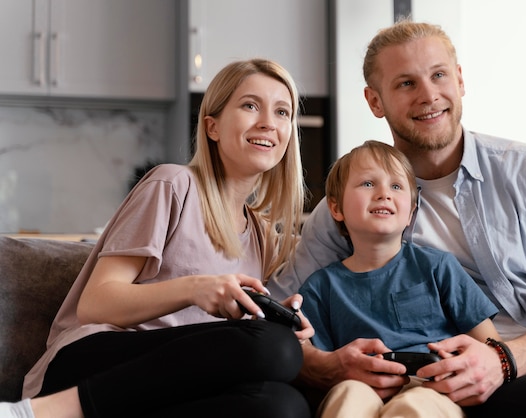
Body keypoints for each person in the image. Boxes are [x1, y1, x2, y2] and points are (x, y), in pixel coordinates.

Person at [268, 19, 526, 418]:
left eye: (438, 75)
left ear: (459, 80)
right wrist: (323, 367)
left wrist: (502, 361)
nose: (428, 95)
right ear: (375, 101)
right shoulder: (347, 211)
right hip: (452, 379)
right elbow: (282, 310)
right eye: (406, 84)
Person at [0, 58, 314, 418]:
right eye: (250, 105)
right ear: (212, 126)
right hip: (89, 365)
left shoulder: (262, 237)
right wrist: (195, 288)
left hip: (164, 389)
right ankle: (37, 414)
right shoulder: (173, 185)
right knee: (277, 350)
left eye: (282, 112)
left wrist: (270, 319)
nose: (268, 123)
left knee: (284, 407)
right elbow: (95, 304)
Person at [298, 140, 501, 417]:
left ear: (411, 213)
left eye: (396, 186)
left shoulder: (438, 267)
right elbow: (313, 362)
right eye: (368, 184)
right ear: (336, 208)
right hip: (360, 384)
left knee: (412, 407)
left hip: (433, 388)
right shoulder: (321, 287)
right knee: (348, 397)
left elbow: (490, 345)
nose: (384, 193)